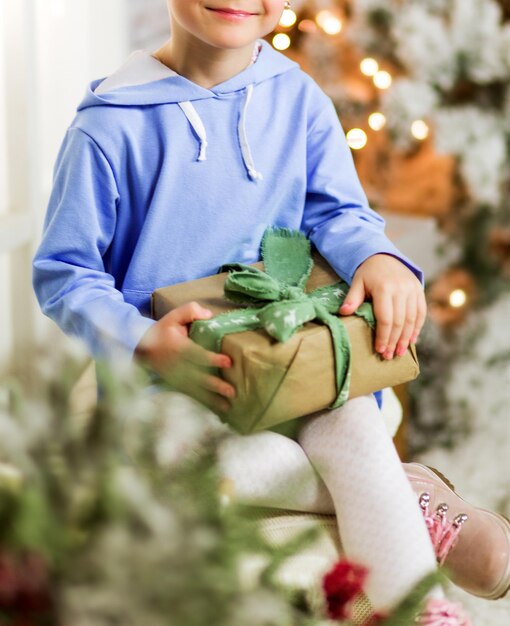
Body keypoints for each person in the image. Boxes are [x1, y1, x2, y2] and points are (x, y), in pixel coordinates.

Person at [32, 0, 508, 620]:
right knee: (171, 469)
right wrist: (143, 339)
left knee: (357, 428)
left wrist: (379, 258)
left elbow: (338, 214)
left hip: (293, 362)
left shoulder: (300, 100)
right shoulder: (107, 127)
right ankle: (397, 496)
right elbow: (64, 275)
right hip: (172, 387)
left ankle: (424, 610)